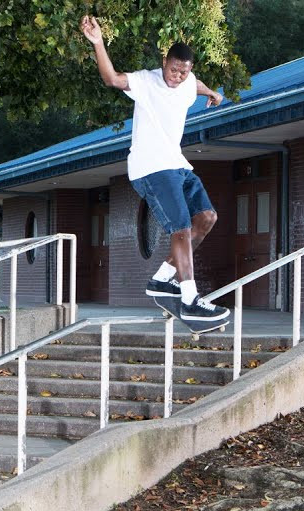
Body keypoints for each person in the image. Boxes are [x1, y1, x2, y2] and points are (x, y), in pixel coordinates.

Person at [80, 15, 230, 333]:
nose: (177, 77)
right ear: (165, 62)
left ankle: (162, 280)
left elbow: (197, 85)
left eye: (183, 72)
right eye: (173, 70)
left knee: (206, 218)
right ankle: (189, 297)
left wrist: (211, 93)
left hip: (177, 165)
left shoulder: (188, 81)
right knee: (180, 228)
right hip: (151, 168)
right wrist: (98, 43)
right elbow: (112, 79)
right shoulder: (146, 81)